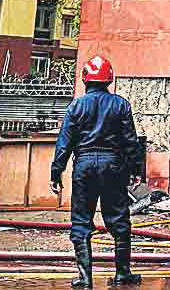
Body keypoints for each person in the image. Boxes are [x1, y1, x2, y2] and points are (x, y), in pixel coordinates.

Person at [50, 56, 144, 289]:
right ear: (109, 79)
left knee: (81, 222)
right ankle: (123, 273)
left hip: (84, 167)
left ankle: (85, 278)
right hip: (113, 167)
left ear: (85, 78)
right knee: (119, 220)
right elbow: (130, 141)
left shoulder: (76, 106)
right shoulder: (121, 104)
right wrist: (136, 169)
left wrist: (56, 172)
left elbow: (64, 143)